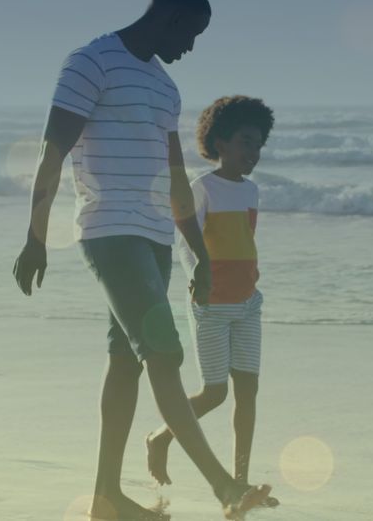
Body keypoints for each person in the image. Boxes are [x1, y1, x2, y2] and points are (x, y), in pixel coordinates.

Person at [12, 0, 273, 520]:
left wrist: (199, 253)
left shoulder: (165, 87)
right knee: (166, 352)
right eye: (192, 34)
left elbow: (177, 178)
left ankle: (107, 497)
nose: (191, 48)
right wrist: (35, 237)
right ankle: (224, 486)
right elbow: (52, 153)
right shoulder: (91, 62)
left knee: (125, 364)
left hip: (154, 237)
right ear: (172, 18)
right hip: (110, 231)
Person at [144, 96, 277, 509]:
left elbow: (243, 241)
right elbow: (188, 241)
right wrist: (196, 279)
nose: (253, 153)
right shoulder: (202, 188)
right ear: (220, 142)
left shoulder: (252, 190)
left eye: (259, 145)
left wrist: (250, 277)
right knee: (215, 393)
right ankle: (161, 436)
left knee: (249, 391)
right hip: (211, 306)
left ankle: (240, 484)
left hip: (247, 303)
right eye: (245, 142)